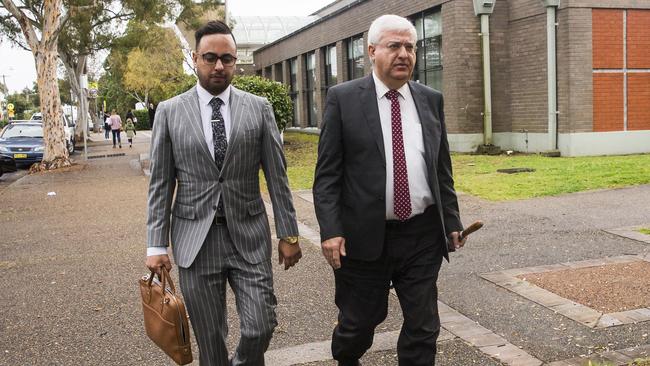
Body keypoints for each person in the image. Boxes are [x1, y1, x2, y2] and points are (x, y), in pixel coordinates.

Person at [145, 20, 302, 366]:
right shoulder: (170, 112)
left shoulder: (258, 107)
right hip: (194, 242)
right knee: (210, 340)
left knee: (260, 324)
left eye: (227, 58)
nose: (219, 66)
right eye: (210, 57)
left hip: (248, 235)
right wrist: (156, 245)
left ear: (235, 61)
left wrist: (289, 233)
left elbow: (278, 176)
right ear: (195, 58)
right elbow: (160, 182)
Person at [313, 14, 466, 366]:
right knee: (359, 325)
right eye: (394, 46)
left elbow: (441, 169)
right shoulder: (343, 99)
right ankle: (346, 358)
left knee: (424, 325)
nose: (404, 54)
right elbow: (327, 176)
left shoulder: (430, 99)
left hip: (422, 234)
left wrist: (452, 220)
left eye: (410, 47)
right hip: (364, 237)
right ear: (372, 51)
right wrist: (331, 230)